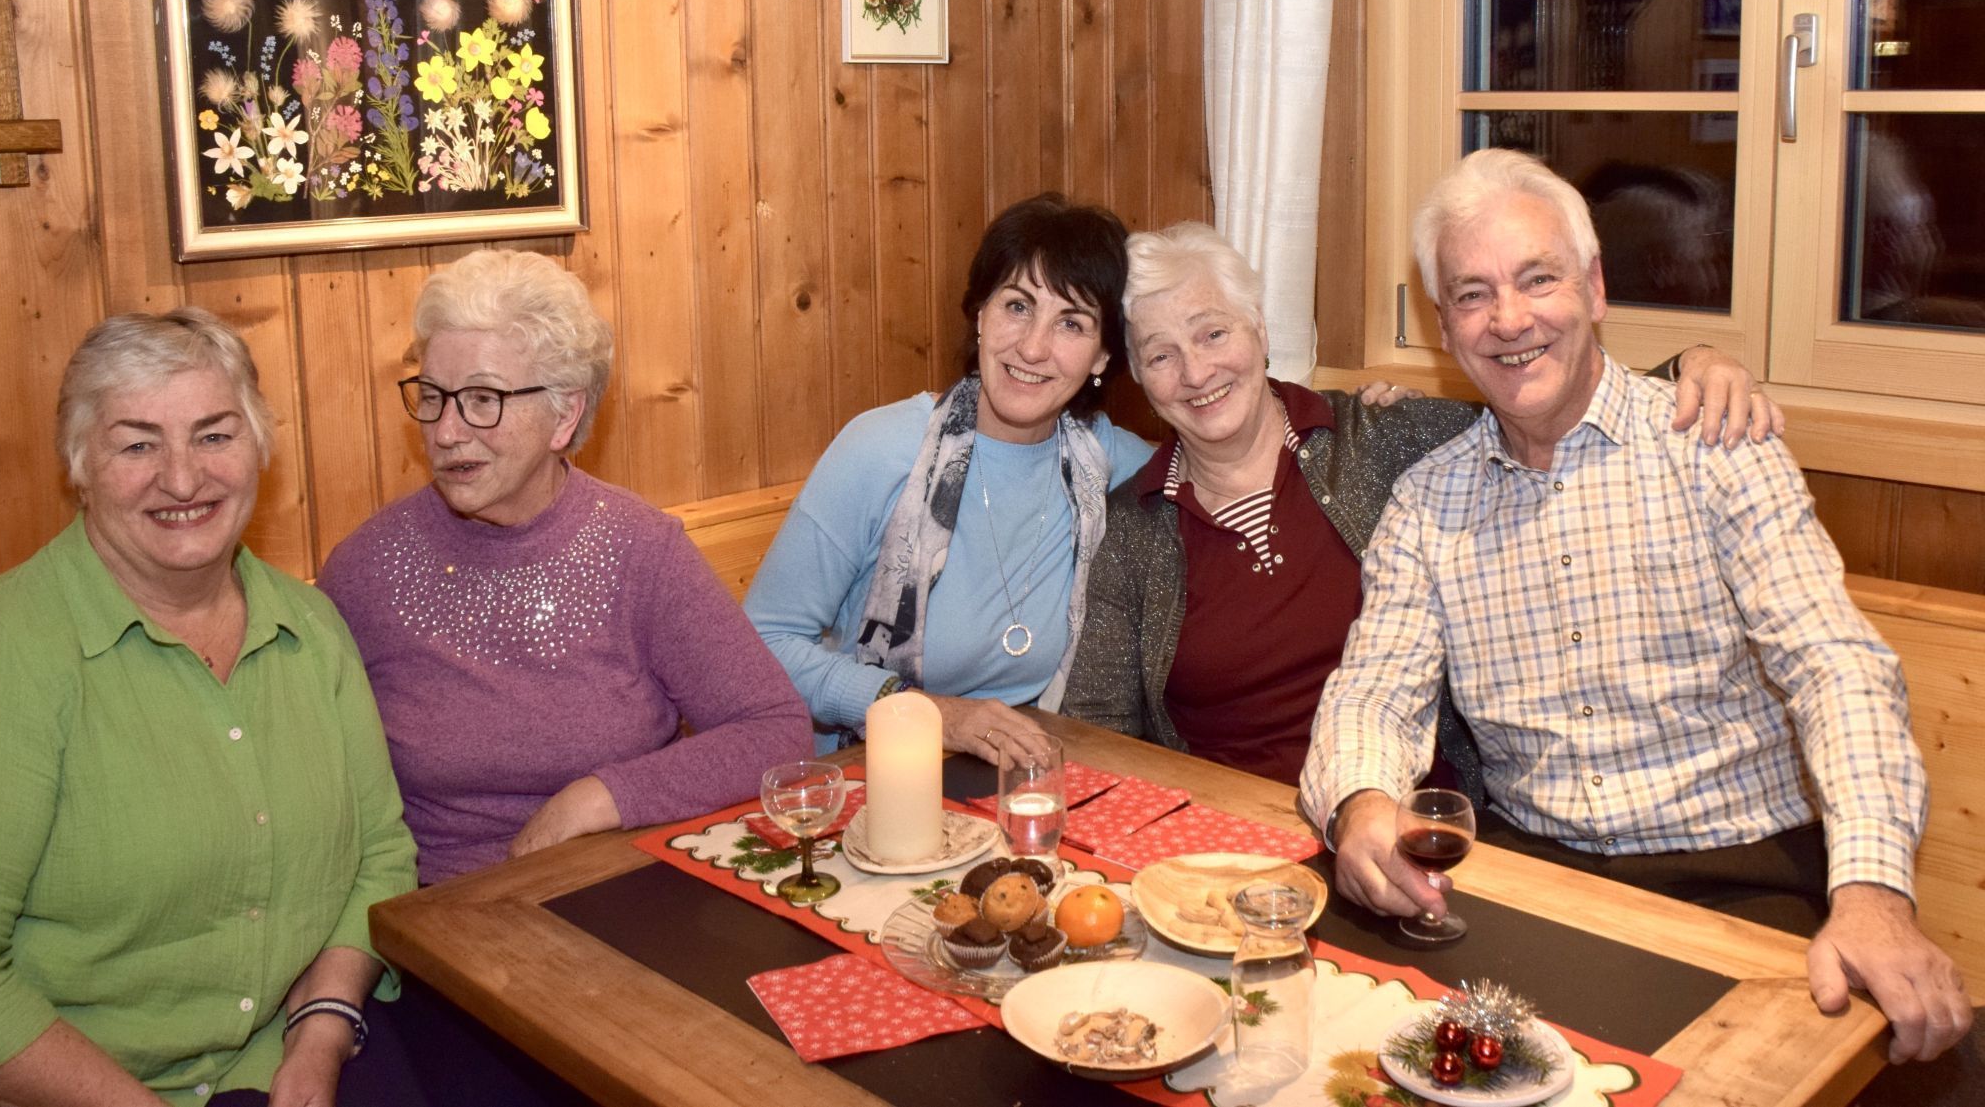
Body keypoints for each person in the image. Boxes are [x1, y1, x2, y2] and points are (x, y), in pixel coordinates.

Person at [1301, 149, 1972, 1065]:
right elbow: (1377, 687)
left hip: (1740, 875)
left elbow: (1837, 667)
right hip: (1532, 871)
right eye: (1472, 294)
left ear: (1596, 287)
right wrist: (1362, 799)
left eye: (1538, 280)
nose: (1509, 319)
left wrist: (1873, 893)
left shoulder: (1715, 446)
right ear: (1443, 326)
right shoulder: (1427, 499)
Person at [1066, 221, 1777, 784]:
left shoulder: (1379, 438)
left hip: (1409, 820)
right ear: (1139, 377)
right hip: (1223, 846)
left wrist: (1692, 364)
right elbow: (1096, 734)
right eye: (1160, 355)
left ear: (1259, 327)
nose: (1195, 371)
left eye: (1213, 332)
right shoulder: (1133, 527)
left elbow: (1545, 413)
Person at [0, 308, 418, 1107]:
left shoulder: (313, 625)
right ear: (79, 465)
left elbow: (380, 857)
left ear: (260, 446)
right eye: (137, 443)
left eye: (214, 434)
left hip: (278, 1059)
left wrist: (322, 1034)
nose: (184, 477)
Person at [319, 248, 809, 885]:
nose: (445, 431)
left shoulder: (638, 549)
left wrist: (603, 797)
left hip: (617, 893)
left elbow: (775, 730)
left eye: (483, 399)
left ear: (564, 414)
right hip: (441, 911)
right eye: (434, 397)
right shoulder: (367, 570)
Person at [744, 194, 1155, 764]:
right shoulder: (881, 449)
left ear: (1104, 357)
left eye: (1071, 322)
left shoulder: (1115, 464)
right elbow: (761, 643)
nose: (1033, 347)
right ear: (980, 313)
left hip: (1029, 782)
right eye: (1017, 306)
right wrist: (924, 713)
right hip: (867, 775)